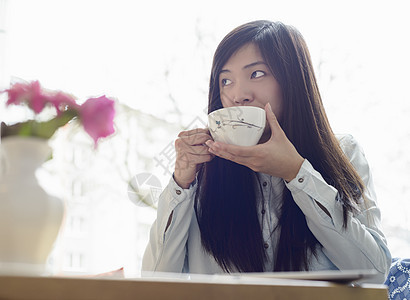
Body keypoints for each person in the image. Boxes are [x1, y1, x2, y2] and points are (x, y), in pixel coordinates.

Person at [142, 20, 391, 283]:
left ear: (293, 80)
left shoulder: (342, 152)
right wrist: (181, 182)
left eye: (257, 74)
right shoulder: (203, 165)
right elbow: (155, 280)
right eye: (226, 80)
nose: (238, 95)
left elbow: (375, 273)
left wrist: (297, 173)